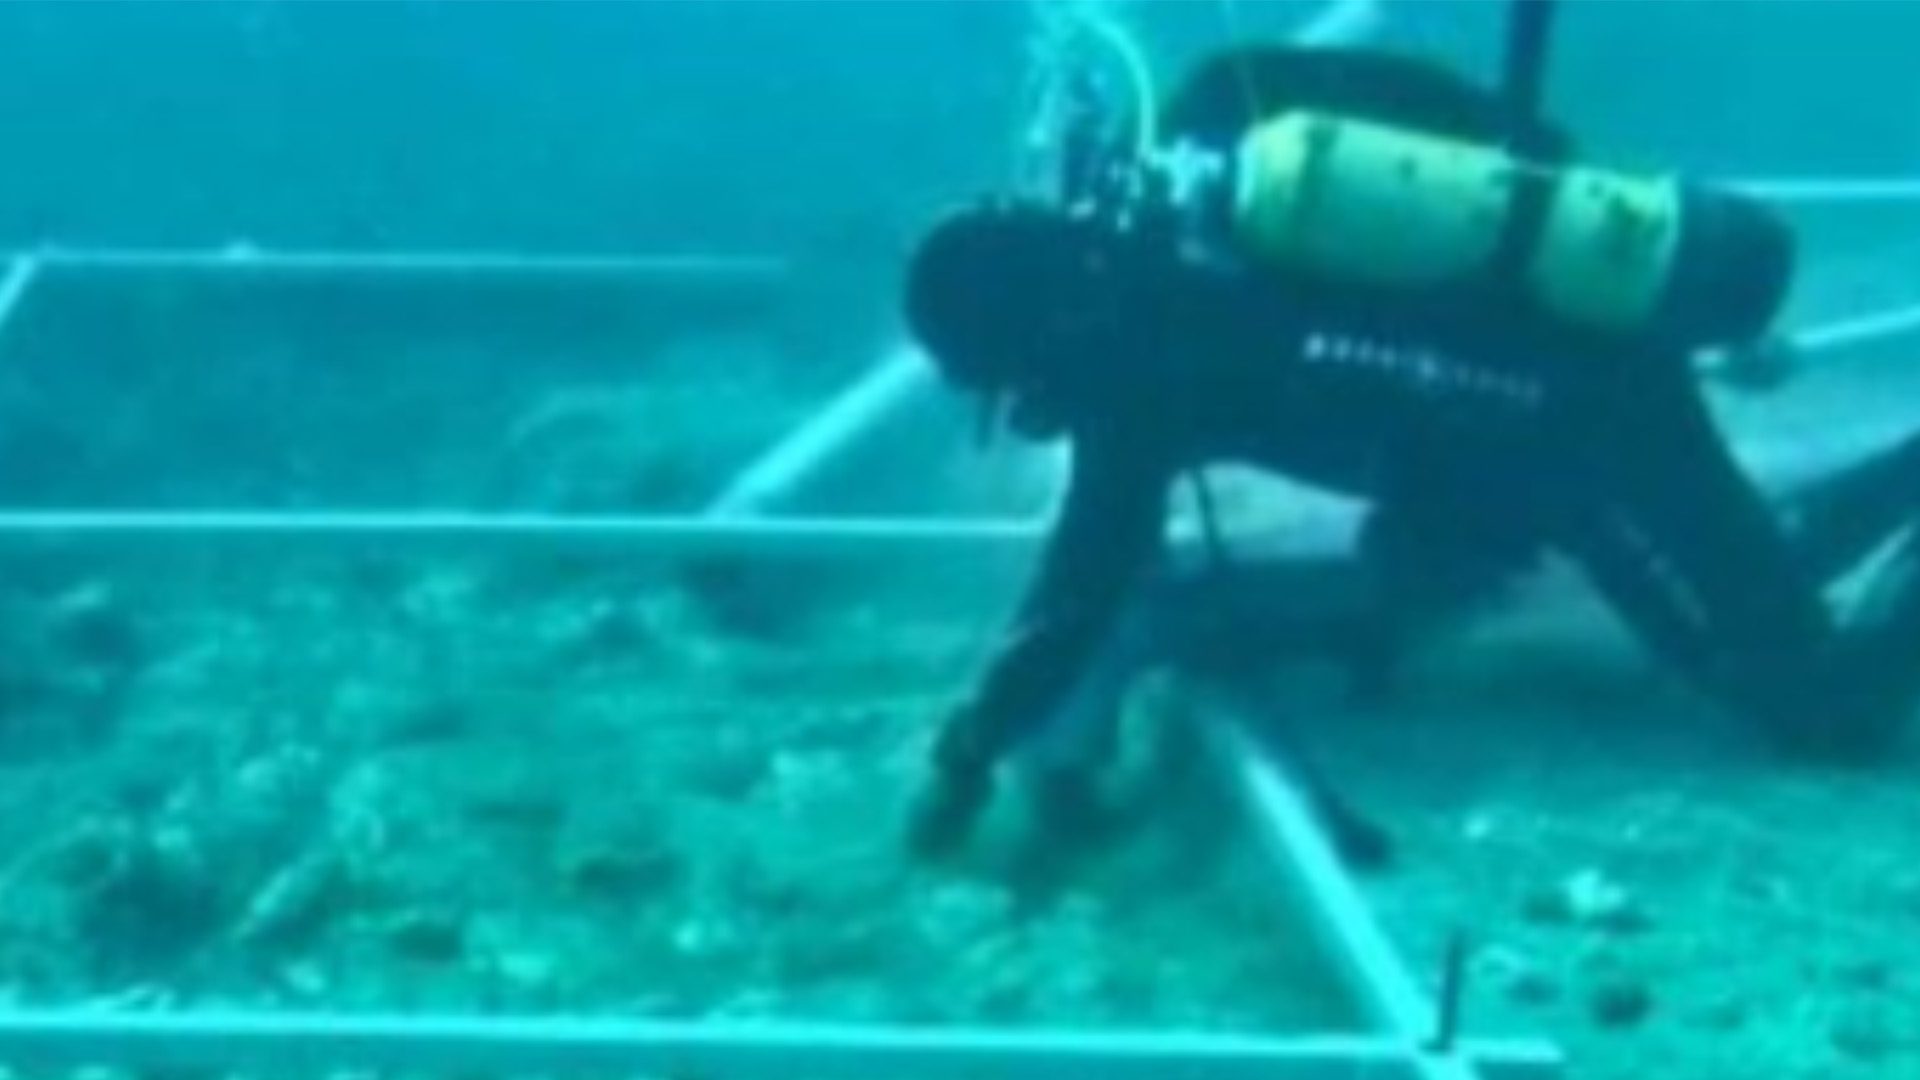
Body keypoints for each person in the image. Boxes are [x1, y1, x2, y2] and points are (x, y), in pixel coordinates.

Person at [896, 44, 1920, 861]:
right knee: (1741, 568)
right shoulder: (1215, 122)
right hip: (1565, 361)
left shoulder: (1139, 365)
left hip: (1587, 430)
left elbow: (1078, 588)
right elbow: (1455, 114)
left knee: (1816, 706)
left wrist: (970, 751)